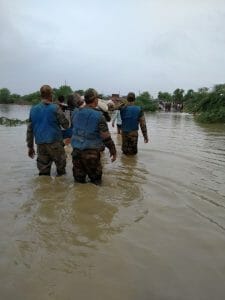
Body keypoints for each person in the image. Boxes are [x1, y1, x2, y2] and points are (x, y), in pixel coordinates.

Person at [71, 88, 117, 184]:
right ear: (96, 100)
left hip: (76, 153)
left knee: (78, 184)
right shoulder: (99, 116)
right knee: (96, 184)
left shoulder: (75, 113)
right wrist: (113, 150)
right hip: (91, 155)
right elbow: (106, 137)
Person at [26, 85, 69, 176]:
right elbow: (65, 125)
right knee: (61, 172)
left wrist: (30, 147)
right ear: (51, 95)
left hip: (41, 145)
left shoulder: (33, 109)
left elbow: (30, 130)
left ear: (41, 95)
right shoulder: (56, 108)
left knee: (43, 174)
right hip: (55, 144)